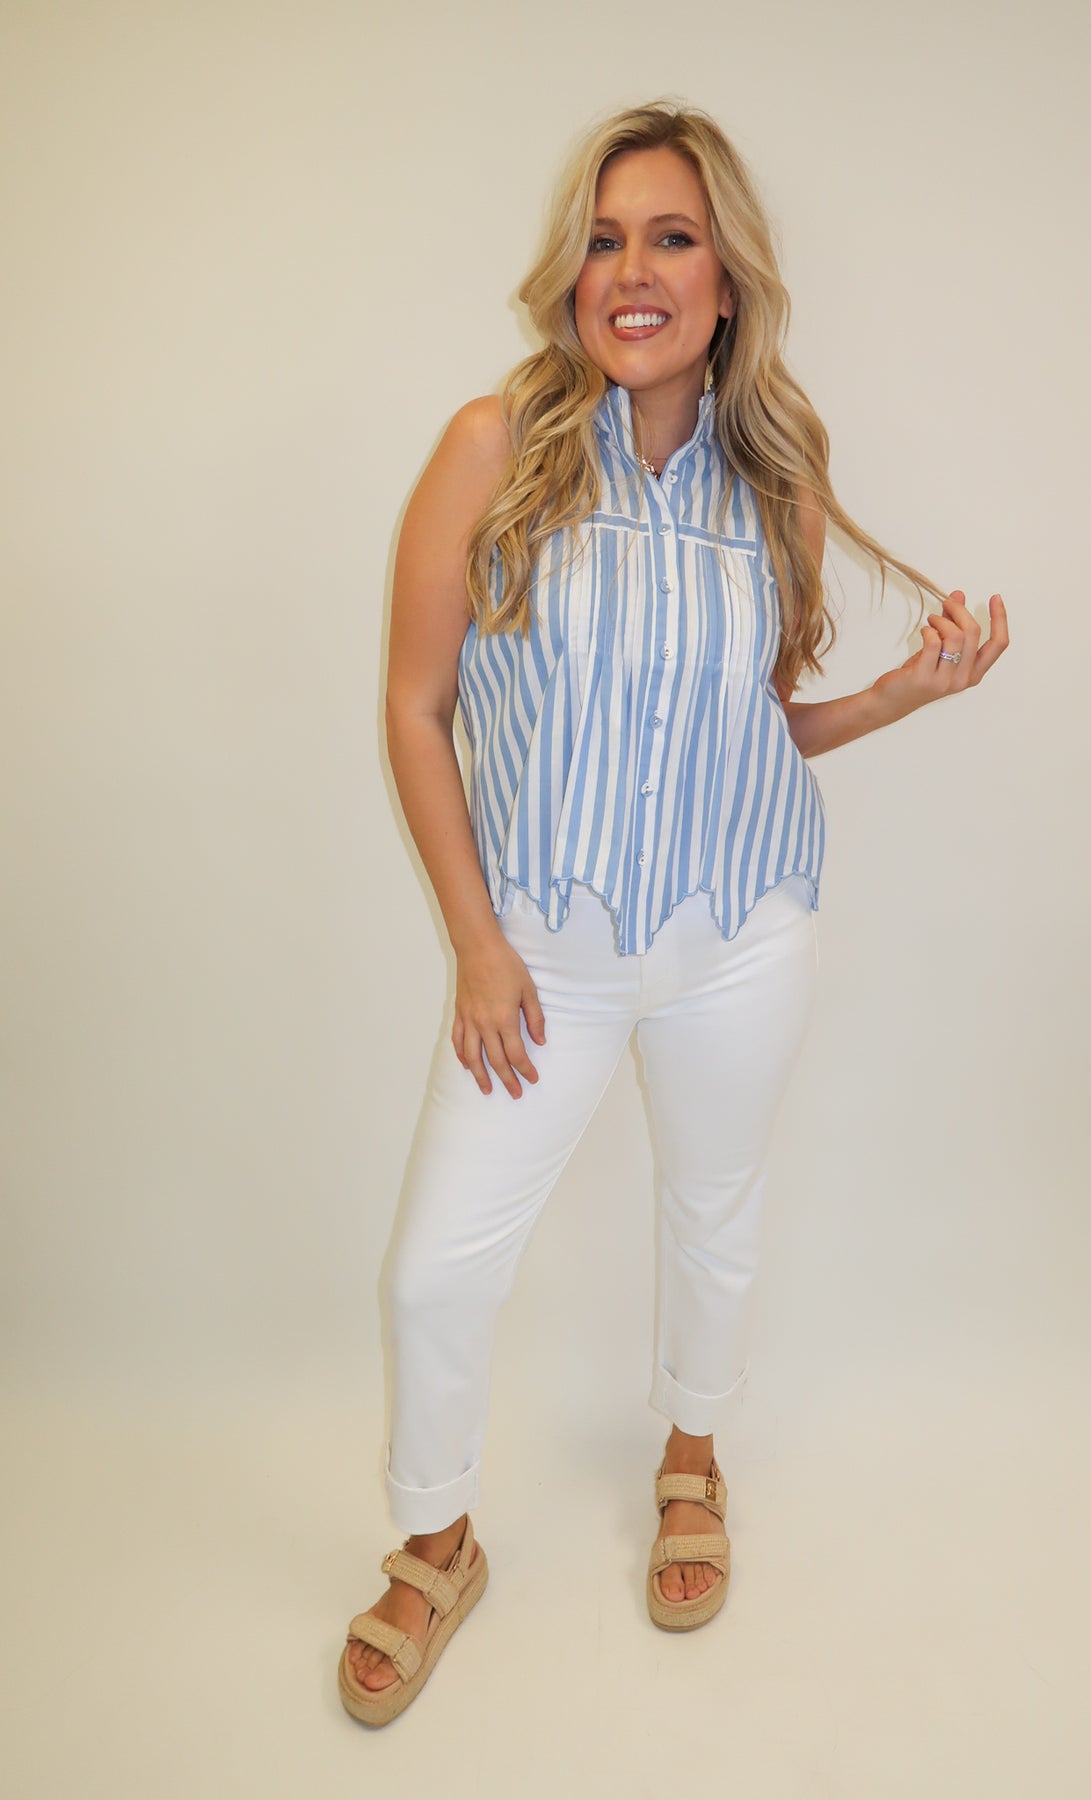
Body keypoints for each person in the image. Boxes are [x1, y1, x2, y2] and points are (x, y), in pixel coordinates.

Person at [337, 98, 1009, 1725]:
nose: (632, 270)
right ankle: (437, 1540)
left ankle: (693, 1455)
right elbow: (416, 708)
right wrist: (478, 946)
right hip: (540, 961)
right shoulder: (491, 447)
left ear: (726, 283)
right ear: (572, 274)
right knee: (434, 1271)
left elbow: (750, 723)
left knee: (714, 1210)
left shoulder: (777, 480)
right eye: (605, 239)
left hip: (738, 938)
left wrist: (903, 697)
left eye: (672, 238)